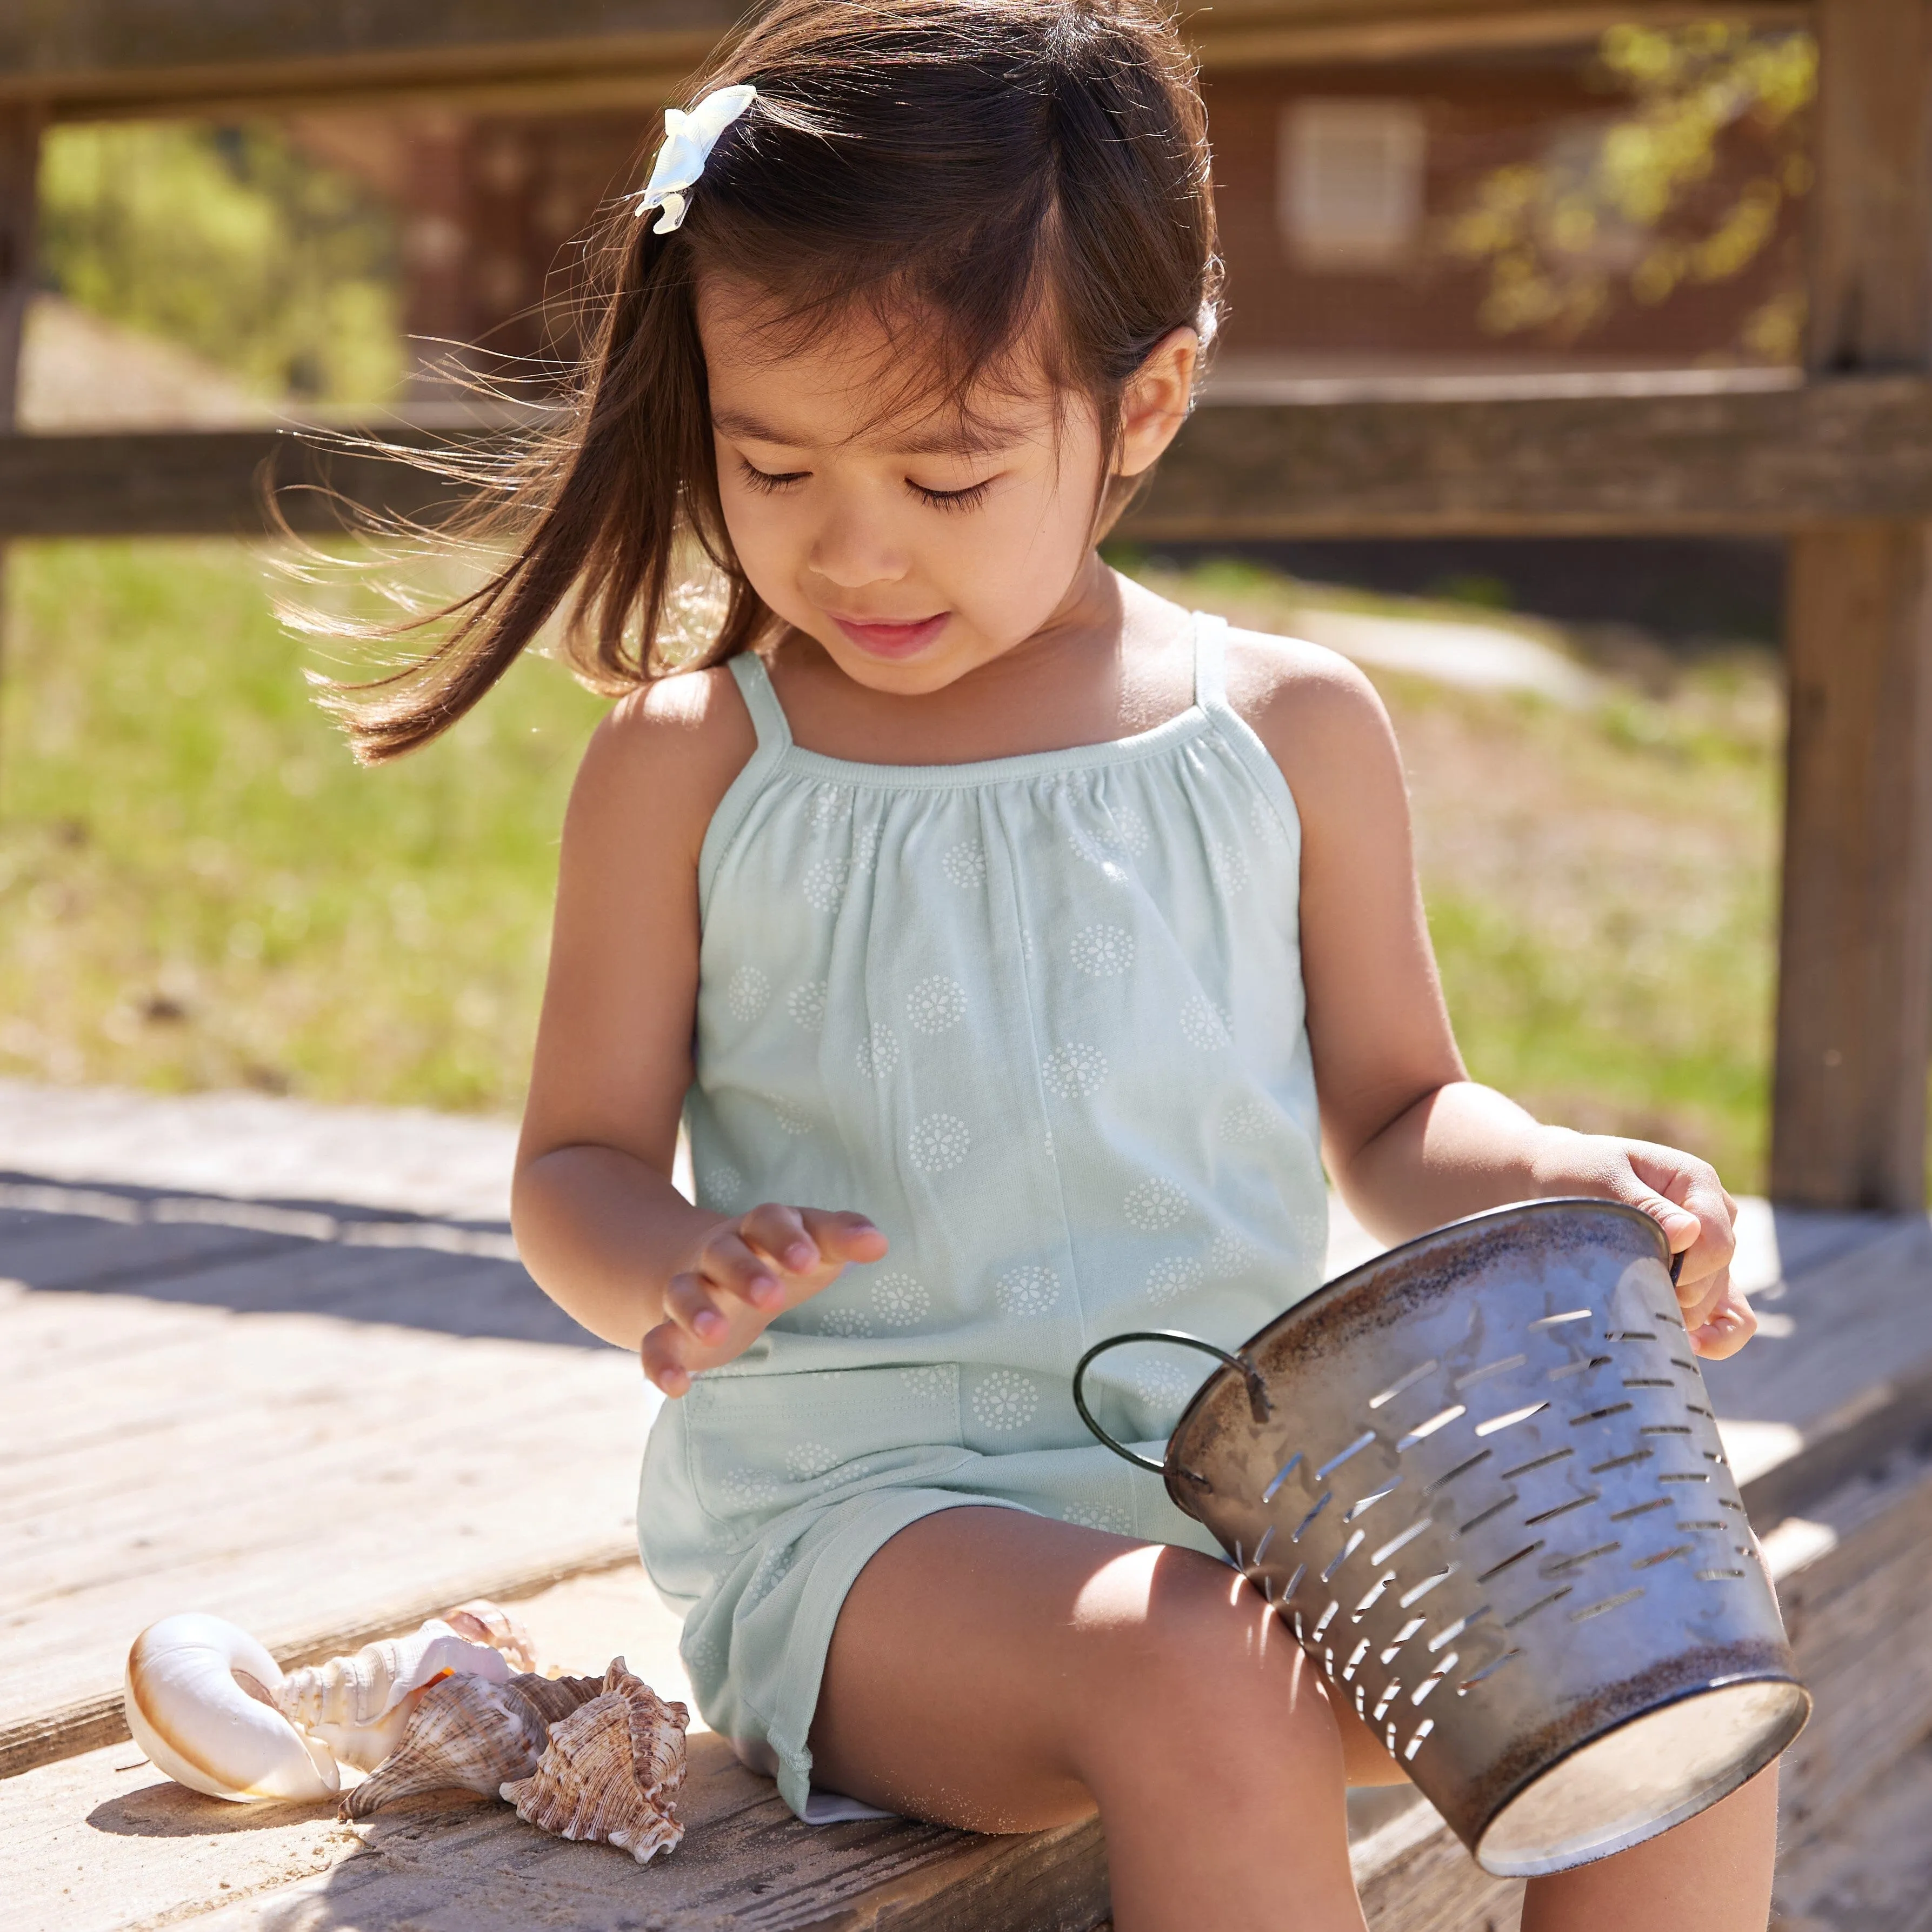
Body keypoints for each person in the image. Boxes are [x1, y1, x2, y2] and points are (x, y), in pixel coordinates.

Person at [336, 3, 1772, 1923]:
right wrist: (669, 1265)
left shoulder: (1288, 729)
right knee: (1196, 1666)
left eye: (943, 479)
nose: (853, 553)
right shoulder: (697, 764)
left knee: (1651, 1636)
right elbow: (567, 1166)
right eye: (772, 467)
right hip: (874, 1538)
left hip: (1254, 1498)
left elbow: (1401, 1107)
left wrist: (1559, 1177)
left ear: (1147, 405)